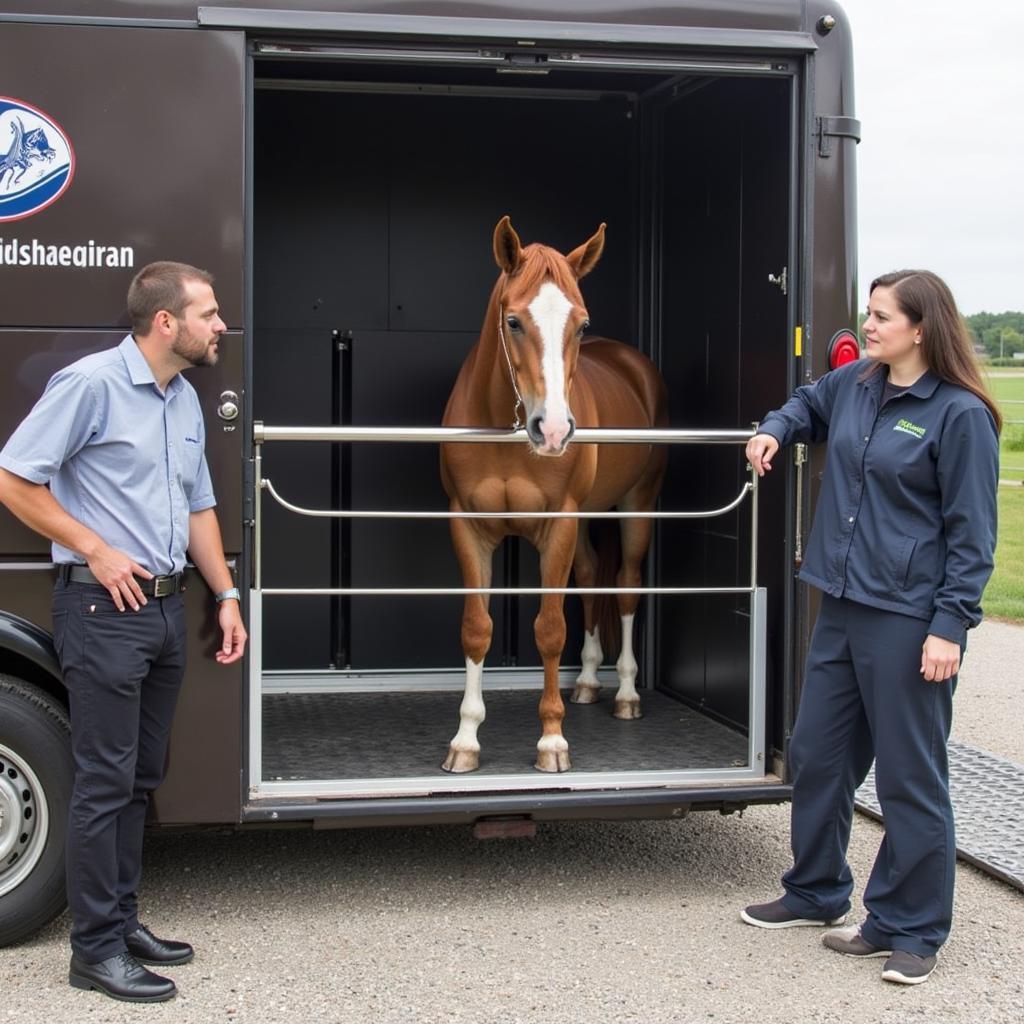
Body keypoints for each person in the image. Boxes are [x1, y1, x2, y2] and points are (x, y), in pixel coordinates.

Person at [739, 270, 1000, 986]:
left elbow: (972, 534)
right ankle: (816, 891)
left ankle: (909, 926)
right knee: (817, 753)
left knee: (911, 778)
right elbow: (803, 403)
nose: (869, 325)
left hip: (910, 618)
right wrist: (774, 429)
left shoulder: (959, 415)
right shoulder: (854, 385)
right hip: (843, 603)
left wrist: (950, 625)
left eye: (882, 316)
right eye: (870, 313)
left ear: (922, 329)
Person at [0, 262, 247, 1003]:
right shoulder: (90, 385)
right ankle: (95, 950)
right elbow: (14, 479)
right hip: (104, 612)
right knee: (103, 783)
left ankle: (122, 920)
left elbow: (198, 506)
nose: (220, 325)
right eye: (208, 313)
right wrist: (98, 549)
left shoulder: (183, 401)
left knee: (139, 779)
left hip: (166, 610)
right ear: (165, 322)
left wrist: (226, 594)